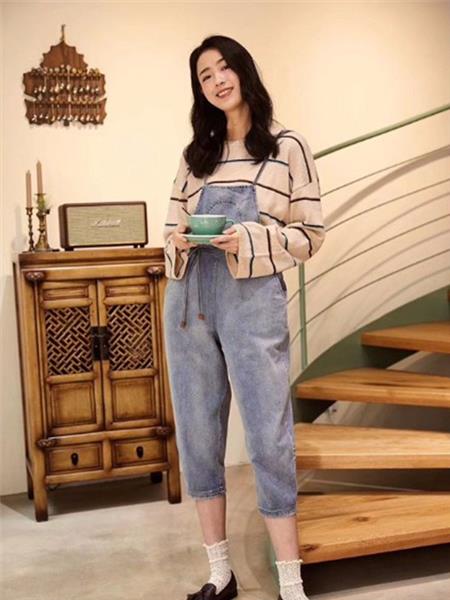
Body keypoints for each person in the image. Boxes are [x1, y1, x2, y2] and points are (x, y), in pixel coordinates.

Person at [162, 35, 325, 600]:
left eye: (223, 68)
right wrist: (179, 241)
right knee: (199, 435)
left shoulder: (287, 147)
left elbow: (310, 235)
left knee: (269, 437)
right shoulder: (195, 158)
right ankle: (220, 573)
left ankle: (291, 582)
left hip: (252, 301)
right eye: (204, 75)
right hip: (190, 302)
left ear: (243, 71)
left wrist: (250, 239)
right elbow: (170, 230)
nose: (216, 80)